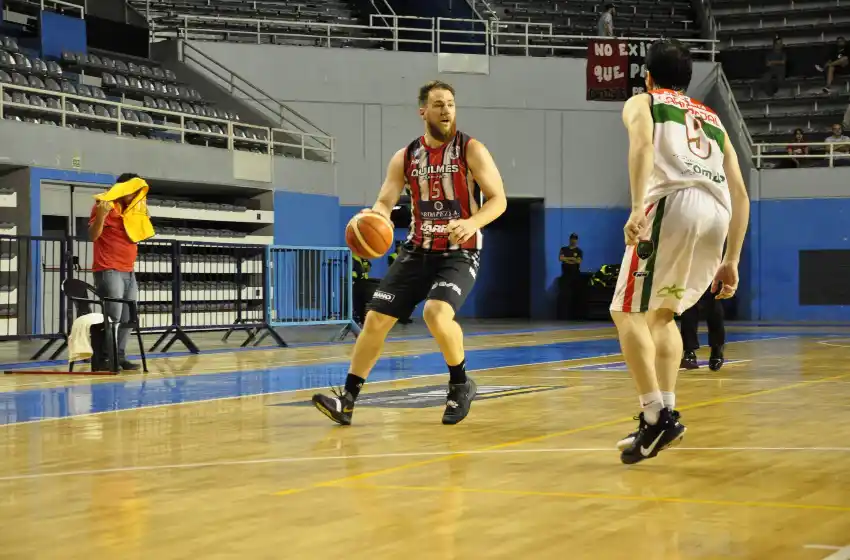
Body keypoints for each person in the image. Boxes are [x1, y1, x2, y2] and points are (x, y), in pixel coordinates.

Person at [311, 80, 507, 426]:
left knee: (435, 313)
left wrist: (473, 222)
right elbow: (385, 201)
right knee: (375, 319)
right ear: (423, 112)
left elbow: (498, 200)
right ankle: (348, 401)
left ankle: (460, 384)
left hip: (459, 251)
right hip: (417, 250)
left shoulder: (471, 149)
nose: (446, 110)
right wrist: (373, 219)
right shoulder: (405, 157)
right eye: (438, 104)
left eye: (450, 104)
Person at [608, 39, 750, 464]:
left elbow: (642, 148)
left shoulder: (643, 101)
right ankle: (661, 416)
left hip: (673, 205)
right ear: (687, 82)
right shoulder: (713, 119)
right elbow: (741, 193)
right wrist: (732, 258)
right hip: (717, 215)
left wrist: (637, 208)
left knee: (625, 311)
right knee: (663, 314)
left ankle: (655, 414)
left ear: (647, 76)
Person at [88, 173, 155, 371]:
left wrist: (143, 218)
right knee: (113, 316)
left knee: (128, 317)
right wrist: (101, 215)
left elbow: (139, 235)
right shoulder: (104, 204)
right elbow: (93, 236)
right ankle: (107, 358)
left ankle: (120, 356)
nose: (135, 194)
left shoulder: (133, 210)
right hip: (109, 268)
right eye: (132, 190)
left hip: (128, 270)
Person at [679, 285, 726, 371]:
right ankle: (689, 352)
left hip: (713, 275)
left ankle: (717, 350)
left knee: (714, 307)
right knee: (689, 309)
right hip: (691, 276)